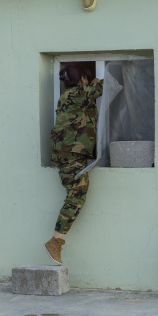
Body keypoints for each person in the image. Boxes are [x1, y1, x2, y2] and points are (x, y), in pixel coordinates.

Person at [44, 64, 103, 265]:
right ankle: (55, 241)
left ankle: (56, 240)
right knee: (76, 196)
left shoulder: (71, 96)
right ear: (83, 79)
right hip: (70, 154)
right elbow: (107, 86)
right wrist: (97, 80)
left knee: (76, 194)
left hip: (69, 153)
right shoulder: (77, 93)